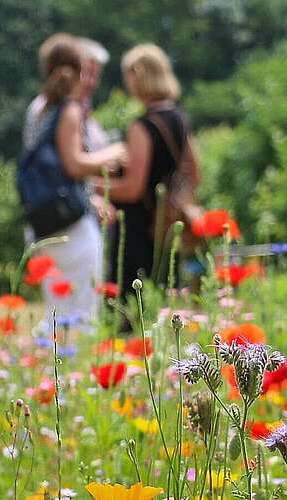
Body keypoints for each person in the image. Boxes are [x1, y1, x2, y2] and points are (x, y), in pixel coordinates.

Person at [97, 44, 203, 332]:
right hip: (166, 227)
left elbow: (133, 189)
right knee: (165, 307)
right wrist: (172, 200)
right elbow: (195, 173)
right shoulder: (178, 118)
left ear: (138, 75)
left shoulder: (142, 126)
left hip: (138, 230)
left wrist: (92, 187)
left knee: (133, 315)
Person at [22, 36, 125, 331]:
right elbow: (73, 164)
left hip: (43, 219)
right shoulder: (68, 109)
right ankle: (72, 371)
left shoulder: (41, 108)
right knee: (81, 312)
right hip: (70, 224)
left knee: (56, 308)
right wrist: (113, 154)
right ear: (79, 70)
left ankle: (50, 369)